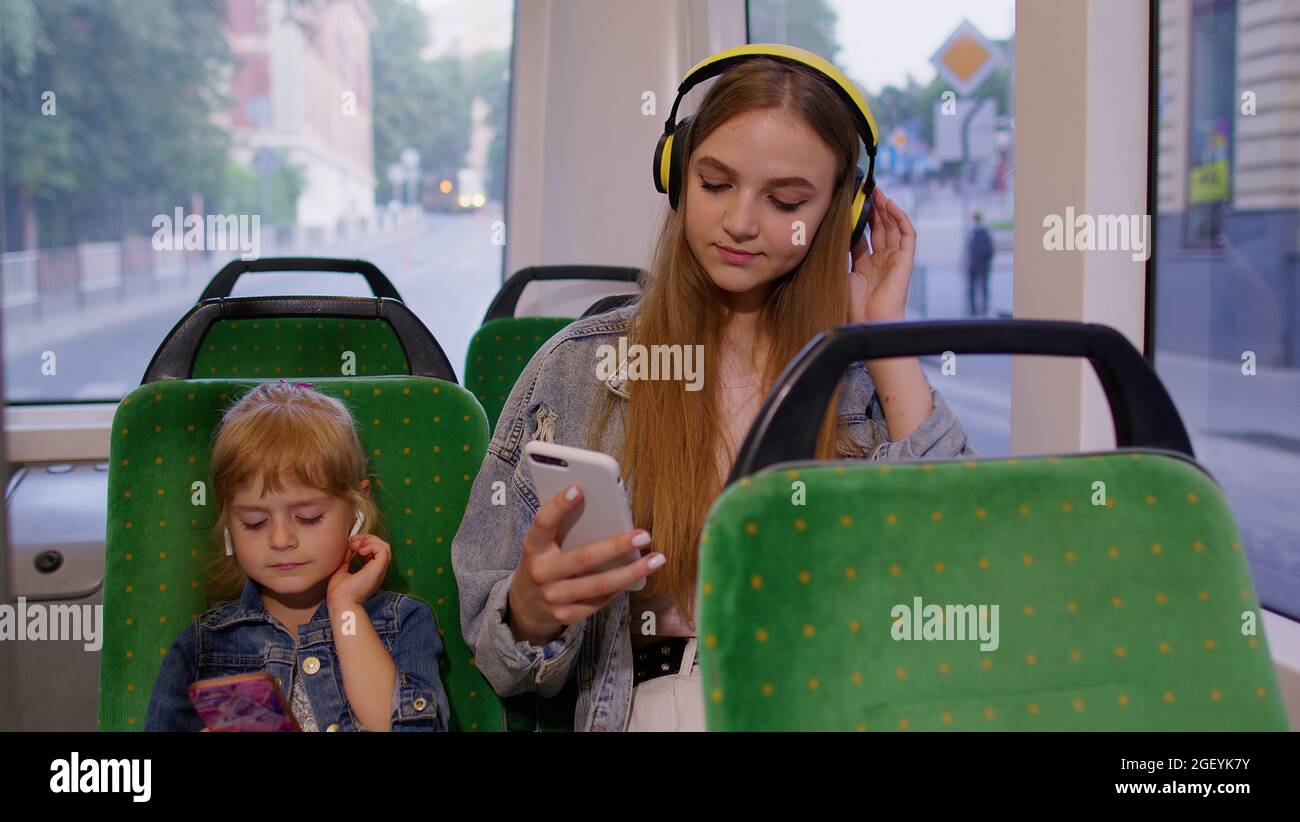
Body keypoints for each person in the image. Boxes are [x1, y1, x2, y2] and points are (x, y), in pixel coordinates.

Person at [453, 45, 976, 732]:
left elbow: (952, 569)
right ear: (676, 177)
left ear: (839, 216)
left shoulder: (862, 382)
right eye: (716, 183)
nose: (740, 222)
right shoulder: (578, 371)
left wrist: (883, 335)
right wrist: (531, 609)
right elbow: (497, 654)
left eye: (785, 200)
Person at [145, 380, 450, 731]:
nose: (281, 539)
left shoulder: (403, 623)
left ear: (356, 511)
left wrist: (346, 608)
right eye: (254, 522)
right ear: (229, 521)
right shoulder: (202, 647)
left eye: (308, 518)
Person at [967, 211, 994, 317]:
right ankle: (977, 310)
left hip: (978, 264)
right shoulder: (980, 232)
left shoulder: (976, 232)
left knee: (979, 288)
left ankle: (979, 310)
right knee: (980, 288)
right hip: (979, 265)